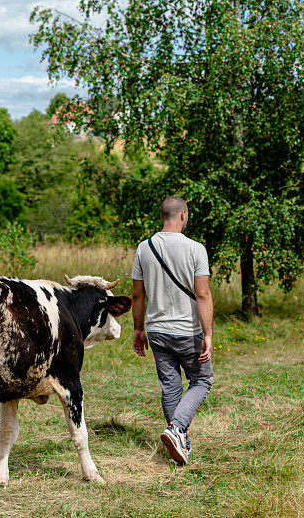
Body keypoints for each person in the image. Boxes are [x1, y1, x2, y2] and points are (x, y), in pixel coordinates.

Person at [131, 195, 214, 465]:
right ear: (183, 216)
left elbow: (137, 295)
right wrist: (208, 334)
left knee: (170, 386)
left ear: (163, 217)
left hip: (156, 331)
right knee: (202, 381)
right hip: (187, 331)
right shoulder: (195, 249)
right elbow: (202, 295)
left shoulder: (144, 248)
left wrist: (138, 329)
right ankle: (177, 429)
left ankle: (178, 442)